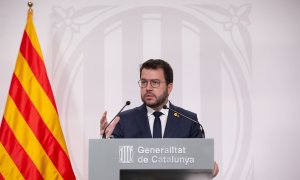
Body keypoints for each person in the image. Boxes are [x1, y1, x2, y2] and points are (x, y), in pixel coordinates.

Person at [100, 59, 219, 177]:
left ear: (169, 87)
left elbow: (199, 164)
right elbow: (109, 167)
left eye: (155, 82)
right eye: (144, 82)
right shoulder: (123, 120)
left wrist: (207, 167)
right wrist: (105, 142)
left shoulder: (188, 120)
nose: (148, 88)